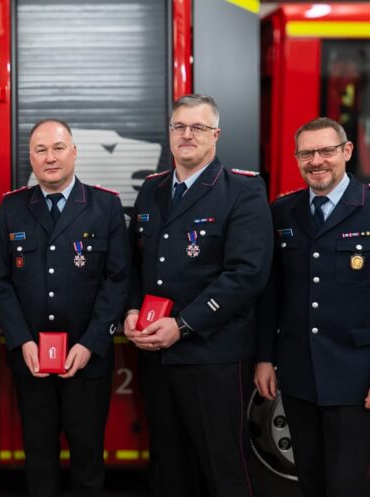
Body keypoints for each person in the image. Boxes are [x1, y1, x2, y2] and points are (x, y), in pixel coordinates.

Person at [123, 94, 273, 497]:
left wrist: (184, 324)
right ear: (170, 133)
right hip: (159, 356)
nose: (187, 135)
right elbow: (136, 264)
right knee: (170, 471)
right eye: (179, 127)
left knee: (225, 470)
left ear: (216, 135)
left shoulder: (243, 190)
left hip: (214, 358)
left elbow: (247, 275)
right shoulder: (152, 190)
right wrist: (133, 308)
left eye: (198, 128)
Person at [0, 118, 130, 497]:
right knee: (38, 458)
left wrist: (90, 343)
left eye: (57, 148)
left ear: (74, 152)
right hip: (32, 360)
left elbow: (118, 280)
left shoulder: (105, 206)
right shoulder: (12, 208)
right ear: (31, 158)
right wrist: (22, 341)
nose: (49, 158)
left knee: (88, 460)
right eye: (40, 150)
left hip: (87, 359)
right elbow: (0, 283)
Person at [255, 117, 370, 497]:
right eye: (307, 153)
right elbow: (272, 292)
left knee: (348, 483)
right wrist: (265, 358)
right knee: (310, 480)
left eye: (326, 151)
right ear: (296, 158)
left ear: (346, 152)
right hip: (300, 373)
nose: (316, 161)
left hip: (356, 377)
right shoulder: (282, 212)